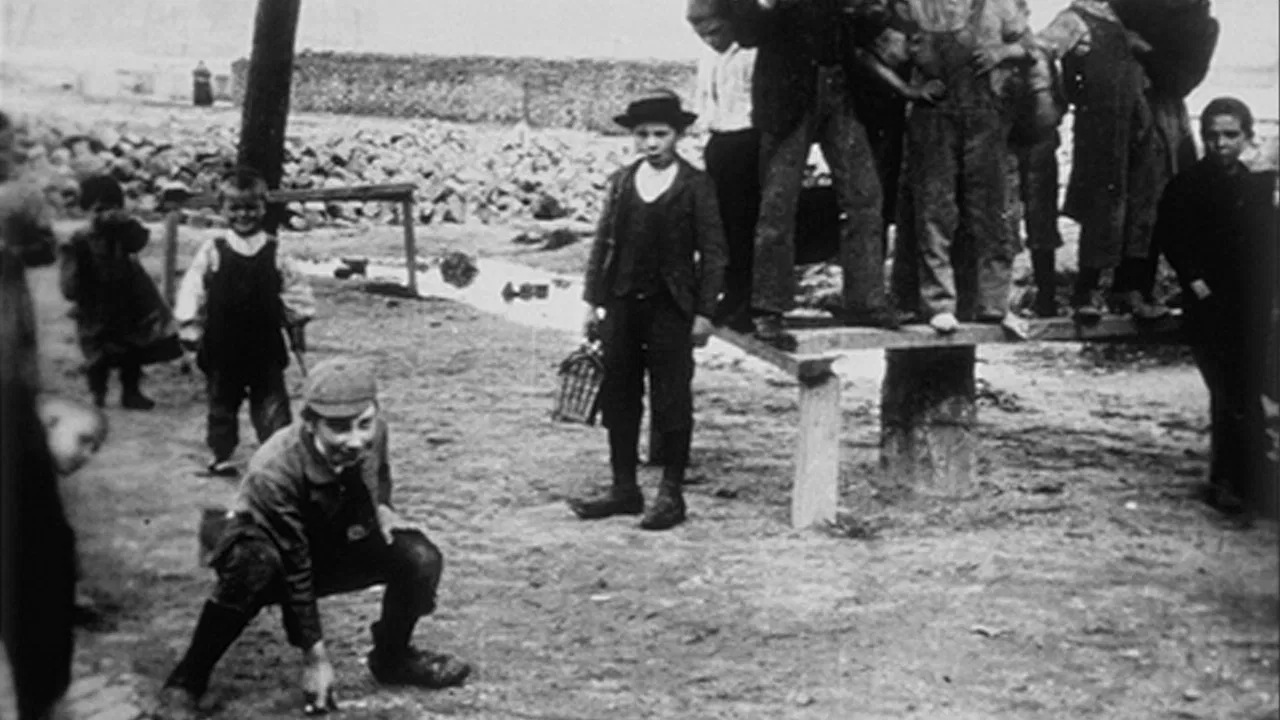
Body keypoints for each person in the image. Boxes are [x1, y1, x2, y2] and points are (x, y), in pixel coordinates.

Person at [157, 356, 472, 718]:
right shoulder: (274, 467)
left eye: (364, 424)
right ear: (309, 423)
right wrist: (315, 656)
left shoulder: (375, 431)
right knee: (254, 566)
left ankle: (392, 657)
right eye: (338, 428)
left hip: (328, 535)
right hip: (267, 543)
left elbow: (379, 473)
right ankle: (188, 678)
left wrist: (382, 507)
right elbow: (296, 563)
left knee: (419, 556)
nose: (355, 440)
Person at [571, 90, 727, 531]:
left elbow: (714, 254)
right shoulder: (622, 181)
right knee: (619, 395)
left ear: (678, 135)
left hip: (671, 309)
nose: (652, 143)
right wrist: (591, 302)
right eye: (643, 135)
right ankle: (624, 488)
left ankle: (671, 494)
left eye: (661, 134)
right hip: (621, 304)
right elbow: (603, 243)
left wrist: (704, 312)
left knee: (671, 398)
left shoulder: (696, 184)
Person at [731, 0, 897, 351]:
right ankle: (768, 308)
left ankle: (865, 302)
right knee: (778, 203)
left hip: (840, 90)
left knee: (865, 197)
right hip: (786, 96)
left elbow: (867, 27)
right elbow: (747, 32)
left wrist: (867, 11)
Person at [1155, 97, 1278, 516]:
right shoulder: (1186, 185)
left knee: (1247, 389)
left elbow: (1268, 243)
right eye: (1212, 136)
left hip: (1251, 302)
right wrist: (1196, 282)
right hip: (1209, 304)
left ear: (1245, 137)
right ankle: (1226, 481)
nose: (1220, 143)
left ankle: (1254, 482)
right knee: (1226, 392)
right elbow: (1172, 238)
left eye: (1230, 135)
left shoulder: (1255, 185)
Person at [0, 109, 80, 720]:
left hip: (13, 399)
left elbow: (44, 251)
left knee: (41, 556)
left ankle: (40, 698)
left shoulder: (17, 198)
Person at [891, 0, 1034, 334]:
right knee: (935, 211)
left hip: (985, 117)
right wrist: (912, 88)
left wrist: (1002, 52)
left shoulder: (997, 5)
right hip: (933, 118)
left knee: (990, 210)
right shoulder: (915, 7)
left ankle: (994, 304)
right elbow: (888, 50)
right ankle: (939, 303)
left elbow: (1031, 47)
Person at [1018, 0, 1162, 322]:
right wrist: (1048, 96)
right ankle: (1085, 293)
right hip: (1100, 123)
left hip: (1135, 121)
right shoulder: (1074, 18)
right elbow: (1037, 49)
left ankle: (1126, 291)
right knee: (1103, 205)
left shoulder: (1121, 18)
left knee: (1140, 201)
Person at [174, 167, 315, 477]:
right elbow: (193, 287)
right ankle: (221, 453)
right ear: (222, 209)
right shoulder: (214, 250)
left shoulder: (276, 251)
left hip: (264, 344)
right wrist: (188, 323)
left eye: (252, 207)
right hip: (223, 344)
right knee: (221, 404)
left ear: (264, 207)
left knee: (273, 405)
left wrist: (297, 318)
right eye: (235, 208)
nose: (244, 214)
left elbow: (294, 288)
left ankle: (276, 457)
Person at [60, 175, 182, 410]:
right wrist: (75, 291)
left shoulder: (122, 234)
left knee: (132, 349)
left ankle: (131, 392)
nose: (106, 214)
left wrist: (126, 223)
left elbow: (139, 240)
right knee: (97, 353)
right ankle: (98, 393)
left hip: (127, 301)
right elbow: (70, 276)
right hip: (94, 304)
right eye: (99, 209)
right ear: (87, 210)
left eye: (112, 207)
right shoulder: (79, 240)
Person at [688, 0, 759, 333]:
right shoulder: (709, 58)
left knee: (744, 225)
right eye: (702, 35)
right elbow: (706, 103)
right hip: (719, 144)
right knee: (722, 227)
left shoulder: (750, 55)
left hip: (747, 143)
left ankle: (745, 301)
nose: (710, 40)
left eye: (715, 32)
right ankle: (729, 296)